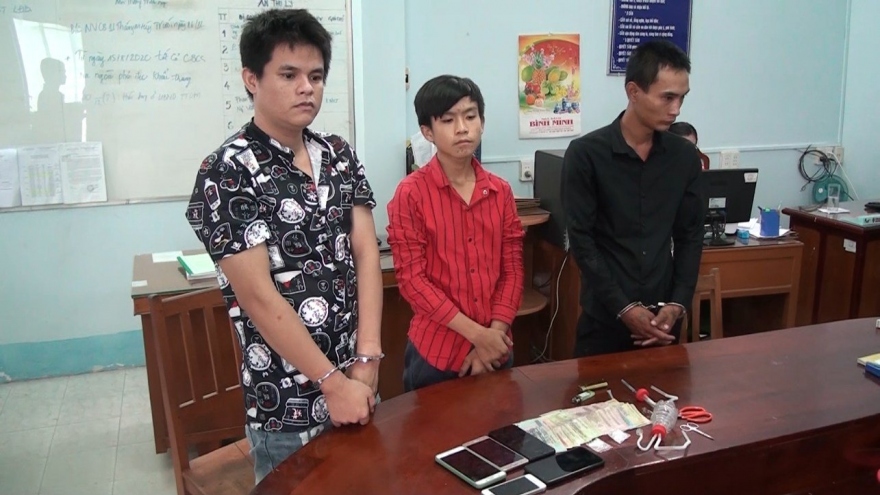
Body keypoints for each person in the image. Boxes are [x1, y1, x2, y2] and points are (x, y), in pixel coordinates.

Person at [184, 9, 383, 484]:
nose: (306, 88)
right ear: (251, 79)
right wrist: (331, 383)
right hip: (287, 401)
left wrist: (368, 359)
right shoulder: (227, 170)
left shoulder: (337, 153)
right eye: (289, 75)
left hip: (358, 381)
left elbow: (366, 253)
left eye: (316, 76)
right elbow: (257, 295)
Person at [561, 40, 706, 357]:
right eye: (667, 97)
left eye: (682, 98)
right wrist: (623, 307)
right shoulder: (587, 155)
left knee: (665, 390)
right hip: (604, 322)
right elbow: (582, 241)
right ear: (633, 92)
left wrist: (677, 303)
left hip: (663, 322)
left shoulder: (684, 157)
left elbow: (690, 235)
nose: (676, 109)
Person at [387, 75, 524, 392]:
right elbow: (412, 281)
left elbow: (513, 270)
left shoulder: (501, 191)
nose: (462, 128)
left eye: (470, 116)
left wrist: (494, 336)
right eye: (448, 120)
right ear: (427, 132)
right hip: (435, 353)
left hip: (498, 347)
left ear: (482, 123)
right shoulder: (410, 194)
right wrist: (480, 337)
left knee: (501, 423)